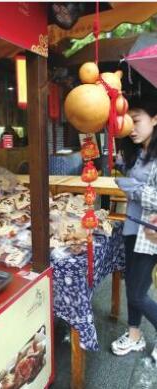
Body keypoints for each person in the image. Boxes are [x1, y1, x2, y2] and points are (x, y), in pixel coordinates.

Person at [111, 97, 157, 362]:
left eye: (136, 120)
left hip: (150, 233)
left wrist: (132, 189)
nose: (131, 127)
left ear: (154, 118)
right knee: (133, 287)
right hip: (132, 228)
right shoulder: (138, 152)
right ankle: (134, 335)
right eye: (127, 121)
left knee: (138, 293)